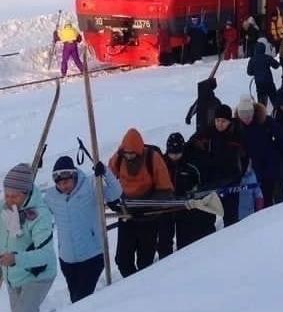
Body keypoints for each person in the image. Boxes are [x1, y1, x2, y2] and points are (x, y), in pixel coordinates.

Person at [0, 164, 57, 312]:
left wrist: (15, 259)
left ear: (26, 193)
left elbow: (47, 255)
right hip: (13, 276)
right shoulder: (3, 208)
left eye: (14, 196)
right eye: (6, 195)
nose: (9, 200)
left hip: (38, 276)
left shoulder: (39, 215)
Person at [44, 154, 121, 302]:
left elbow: (115, 193)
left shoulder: (91, 185)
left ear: (74, 175)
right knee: (76, 299)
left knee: (82, 300)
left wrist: (105, 172)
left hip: (92, 256)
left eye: (67, 181)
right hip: (67, 260)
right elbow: (40, 214)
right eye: (59, 183)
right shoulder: (51, 196)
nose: (63, 186)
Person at [108, 128, 174, 278]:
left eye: (132, 154)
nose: (129, 156)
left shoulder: (153, 158)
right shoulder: (119, 158)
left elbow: (166, 190)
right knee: (122, 260)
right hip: (127, 214)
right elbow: (108, 182)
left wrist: (147, 205)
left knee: (145, 261)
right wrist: (112, 199)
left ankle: (142, 287)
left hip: (149, 217)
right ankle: (131, 283)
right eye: (126, 153)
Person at [163, 132, 214, 248]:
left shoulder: (190, 164)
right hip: (167, 206)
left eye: (178, 153)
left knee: (185, 239)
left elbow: (200, 183)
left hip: (185, 207)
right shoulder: (163, 163)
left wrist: (193, 191)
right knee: (165, 241)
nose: (174, 156)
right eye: (172, 153)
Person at [236, 95, 283, 208]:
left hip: (268, 164)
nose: (246, 119)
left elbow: (281, 136)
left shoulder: (265, 121)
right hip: (250, 168)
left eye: (248, 115)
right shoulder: (237, 126)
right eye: (243, 116)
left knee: (268, 196)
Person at [247, 40, 280, 110]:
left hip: (259, 83)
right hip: (269, 81)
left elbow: (249, 72)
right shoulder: (267, 57)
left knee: (261, 103)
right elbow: (276, 65)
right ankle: (278, 112)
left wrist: (256, 72)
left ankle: (261, 116)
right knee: (274, 99)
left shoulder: (252, 60)